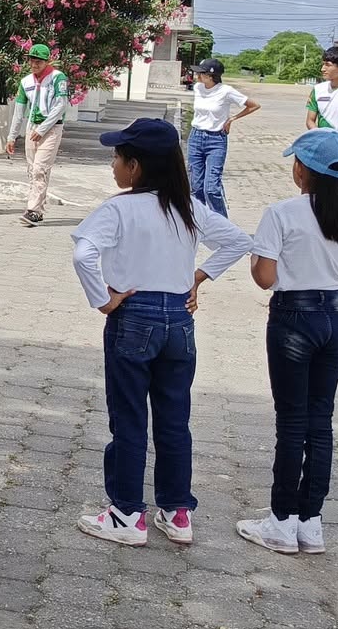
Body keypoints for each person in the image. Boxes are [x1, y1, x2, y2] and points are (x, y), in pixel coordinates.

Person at [70, 118, 252, 547]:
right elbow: (239, 241)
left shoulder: (118, 209)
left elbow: (83, 254)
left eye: (117, 157)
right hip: (179, 323)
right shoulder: (187, 206)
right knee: (174, 420)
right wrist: (197, 278)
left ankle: (126, 514)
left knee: (129, 418)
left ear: (134, 166)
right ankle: (176, 511)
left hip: (133, 317)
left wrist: (103, 299)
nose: (113, 165)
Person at [236, 130, 338, 555]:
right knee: (321, 419)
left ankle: (281, 521)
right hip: (334, 315)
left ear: (301, 171)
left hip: (294, 317)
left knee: (292, 421)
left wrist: (259, 258)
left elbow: (265, 278)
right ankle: (311, 522)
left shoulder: (281, 213)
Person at [182, 58, 259, 219]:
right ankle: (199, 222)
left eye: (201, 73)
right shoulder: (197, 87)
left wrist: (232, 119)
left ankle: (222, 224)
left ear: (211, 76)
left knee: (211, 188)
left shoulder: (226, 91)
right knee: (196, 187)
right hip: (196, 137)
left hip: (216, 140)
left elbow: (253, 105)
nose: (197, 76)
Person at [5, 44, 72, 227]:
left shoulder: (57, 78)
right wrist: (12, 136)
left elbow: (61, 105)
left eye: (39, 61)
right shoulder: (26, 82)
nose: (35, 64)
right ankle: (38, 209)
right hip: (32, 127)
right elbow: (19, 111)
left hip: (51, 128)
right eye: (32, 61)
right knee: (33, 170)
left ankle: (33, 210)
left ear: (47, 61)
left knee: (39, 168)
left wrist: (42, 129)